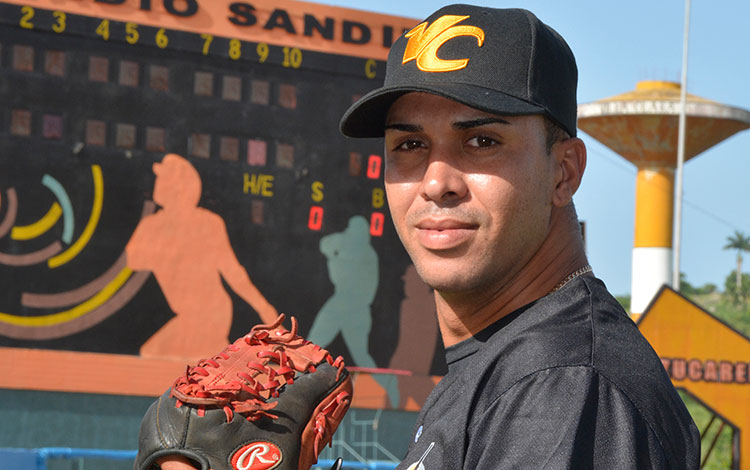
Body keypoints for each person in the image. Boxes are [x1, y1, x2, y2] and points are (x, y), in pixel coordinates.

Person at [154, 5, 700, 469]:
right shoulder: (501, 362)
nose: (436, 182)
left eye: (482, 140)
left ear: (564, 172)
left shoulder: (564, 387)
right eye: (409, 146)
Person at [127, 153, 278, 360]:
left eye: (163, 178)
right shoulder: (151, 226)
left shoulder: (209, 224)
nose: (158, 183)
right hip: (185, 315)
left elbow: (233, 273)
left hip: (211, 314)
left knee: (155, 356)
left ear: (178, 187)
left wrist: (264, 308)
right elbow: (131, 262)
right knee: (157, 357)